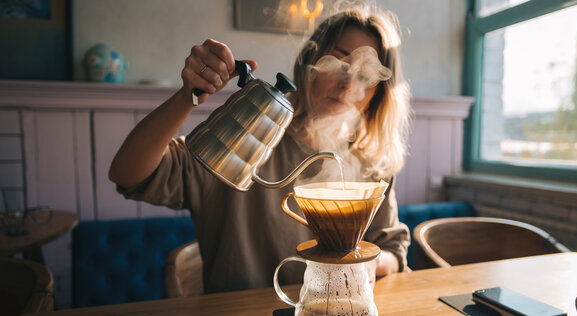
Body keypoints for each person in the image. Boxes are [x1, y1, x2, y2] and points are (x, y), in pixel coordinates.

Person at [109, 4, 412, 294]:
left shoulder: (369, 159)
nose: (348, 84)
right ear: (310, 61)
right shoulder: (249, 135)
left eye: (365, 75)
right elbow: (128, 175)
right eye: (340, 63)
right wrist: (188, 96)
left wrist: (369, 263)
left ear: (379, 92)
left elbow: (393, 251)